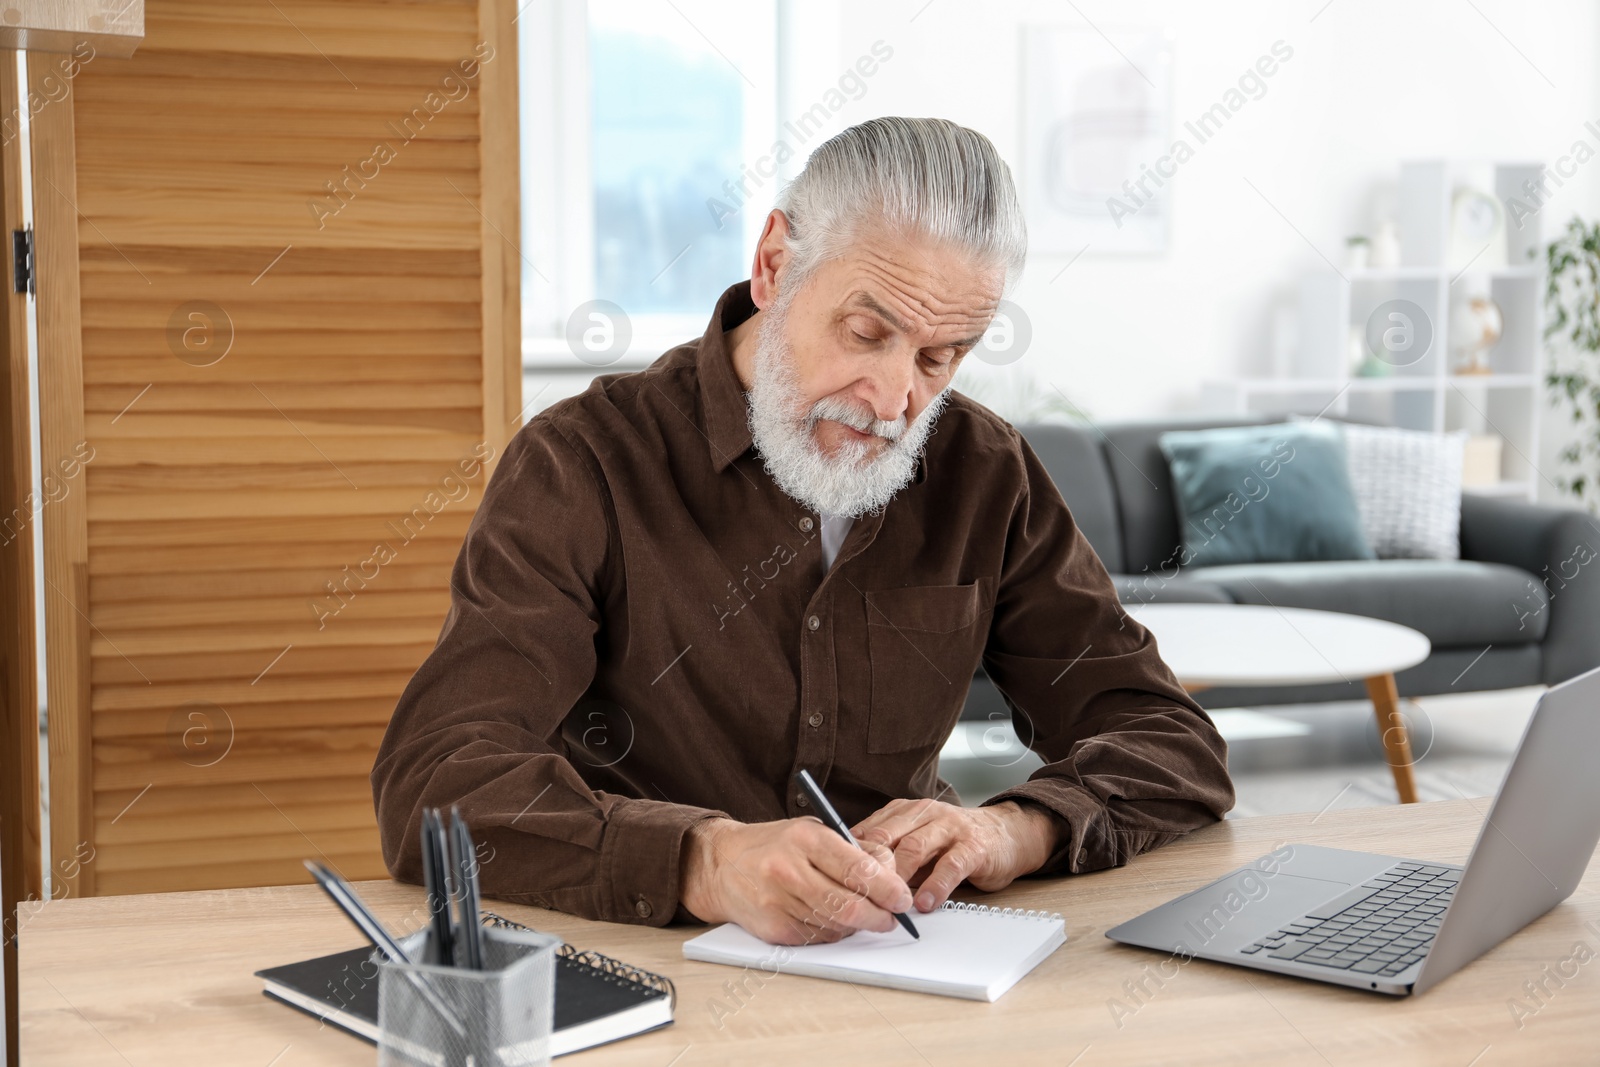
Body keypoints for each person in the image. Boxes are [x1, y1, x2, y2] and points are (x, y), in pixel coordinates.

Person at [372, 116, 1233, 947]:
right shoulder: (583, 463)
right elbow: (434, 783)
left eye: (941, 357)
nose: (895, 400)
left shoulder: (985, 471)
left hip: (909, 965)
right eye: (868, 333)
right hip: (645, 974)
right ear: (775, 263)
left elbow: (1172, 743)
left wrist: (1017, 829)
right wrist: (699, 860)